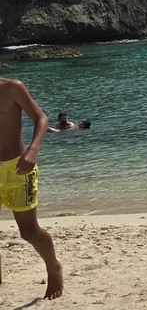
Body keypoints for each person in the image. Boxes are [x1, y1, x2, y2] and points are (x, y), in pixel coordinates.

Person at [0, 77, 63, 299]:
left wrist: (32, 150)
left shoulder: (11, 88)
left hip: (17, 169)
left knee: (28, 232)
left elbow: (41, 118)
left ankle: (53, 267)